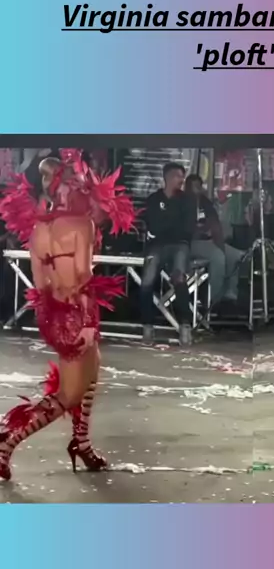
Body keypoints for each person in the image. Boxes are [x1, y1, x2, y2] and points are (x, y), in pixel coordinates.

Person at [0, 150, 136, 481]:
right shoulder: (81, 225)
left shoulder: (39, 228)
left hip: (53, 313)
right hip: (78, 312)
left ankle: (81, 442)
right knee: (69, 394)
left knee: (91, 371)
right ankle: (7, 442)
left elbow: (40, 284)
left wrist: (56, 317)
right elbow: (82, 276)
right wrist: (87, 322)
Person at [140, 162, 195, 346]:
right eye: (178, 176)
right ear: (168, 177)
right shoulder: (153, 199)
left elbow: (188, 228)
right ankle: (147, 326)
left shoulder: (187, 200)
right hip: (156, 246)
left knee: (179, 277)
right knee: (147, 280)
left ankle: (185, 326)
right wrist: (169, 226)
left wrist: (165, 227)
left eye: (182, 176)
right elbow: (152, 225)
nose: (181, 180)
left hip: (180, 245)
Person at [185, 173, 243, 306]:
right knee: (217, 256)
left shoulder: (205, 202)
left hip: (208, 241)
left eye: (199, 186)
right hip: (189, 244)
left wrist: (219, 242)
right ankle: (213, 301)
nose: (197, 190)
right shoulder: (181, 202)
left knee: (235, 256)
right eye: (194, 187)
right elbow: (188, 229)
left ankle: (230, 294)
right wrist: (200, 230)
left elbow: (214, 225)